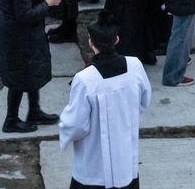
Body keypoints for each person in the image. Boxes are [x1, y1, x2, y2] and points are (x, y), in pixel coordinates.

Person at [59, 11, 151, 189]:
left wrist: (64, 130)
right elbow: (144, 101)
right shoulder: (135, 66)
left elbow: (76, 124)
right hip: (125, 154)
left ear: (90, 42)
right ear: (117, 40)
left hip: (93, 162)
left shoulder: (85, 79)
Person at [0, 0, 61, 133]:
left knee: (31, 73)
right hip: (21, 38)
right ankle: (11, 120)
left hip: (11, 34)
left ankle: (34, 111)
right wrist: (48, 3)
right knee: (19, 78)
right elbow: (25, 15)